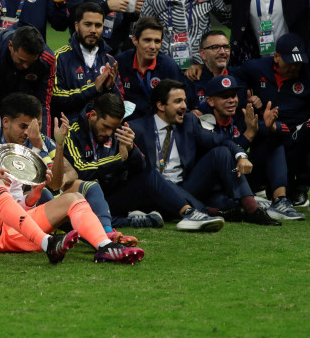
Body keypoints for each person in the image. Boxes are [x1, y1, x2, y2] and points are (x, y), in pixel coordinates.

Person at [0, 95, 144, 264]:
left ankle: (105, 246)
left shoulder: (7, 152)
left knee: (73, 198)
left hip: (14, 232)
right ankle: (48, 243)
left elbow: (16, 201)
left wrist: (32, 197)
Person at [64, 92, 224, 231]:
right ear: (92, 116)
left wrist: (132, 149)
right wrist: (119, 159)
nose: (109, 133)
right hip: (88, 199)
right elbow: (81, 171)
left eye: (113, 128)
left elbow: (141, 167)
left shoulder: (117, 131)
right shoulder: (72, 133)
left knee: (150, 176)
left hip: (115, 194)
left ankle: (190, 213)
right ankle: (137, 220)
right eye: (105, 127)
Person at [128, 79, 279, 225]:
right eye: (178, 101)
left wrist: (241, 156)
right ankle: (211, 211)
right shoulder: (136, 129)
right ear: (160, 105)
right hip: (154, 190)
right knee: (221, 203)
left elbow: (221, 141)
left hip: (186, 187)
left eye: (184, 100)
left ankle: (252, 209)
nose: (184, 106)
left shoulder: (189, 122)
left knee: (221, 152)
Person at [197, 75, 304, 220]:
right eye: (224, 97)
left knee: (271, 139)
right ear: (210, 100)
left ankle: (280, 201)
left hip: (242, 177)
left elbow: (286, 135)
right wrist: (248, 135)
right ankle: (251, 202)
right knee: (226, 205)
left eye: (233, 96)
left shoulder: (242, 115)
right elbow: (222, 156)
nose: (231, 101)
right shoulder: (202, 121)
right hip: (217, 185)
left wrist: (272, 126)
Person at [231, 33, 310, 206]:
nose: (295, 68)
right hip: (267, 127)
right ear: (276, 57)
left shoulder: (307, 72)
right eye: (290, 63)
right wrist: (247, 99)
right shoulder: (255, 68)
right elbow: (231, 78)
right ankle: (272, 189)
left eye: (299, 63)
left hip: (299, 129)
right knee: (270, 134)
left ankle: (300, 187)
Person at [0, 24, 55, 134]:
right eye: (21, 60)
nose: (25, 66)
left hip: (20, 107)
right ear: (10, 45)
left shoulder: (47, 60)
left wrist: (44, 143)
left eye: (30, 62)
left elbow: (43, 106)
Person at [53, 2, 123, 118]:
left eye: (98, 25)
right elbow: (55, 98)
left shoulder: (110, 61)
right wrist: (92, 89)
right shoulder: (59, 58)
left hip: (100, 132)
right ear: (76, 26)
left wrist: (110, 88)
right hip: (70, 130)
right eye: (88, 24)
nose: (93, 30)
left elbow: (118, 105)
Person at [116, 16, 183, 120]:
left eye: (157, 41)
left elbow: (177, 103)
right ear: (135, 40)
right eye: (147, 40)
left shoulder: (169, 67)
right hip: (126, 123)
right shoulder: (120, 62)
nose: (153, 46)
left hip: (158, 123)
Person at [182, 30, 232, 108]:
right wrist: (190, 115)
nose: (222, 52)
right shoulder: (191, 80)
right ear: (203, 54)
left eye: (226, 47)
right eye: (215, 47)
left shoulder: (238, 77)